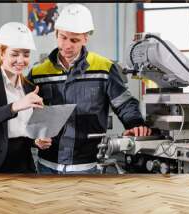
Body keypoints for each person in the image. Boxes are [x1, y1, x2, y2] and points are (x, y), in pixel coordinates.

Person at [28, 4, 151, 174]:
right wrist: (35, 138)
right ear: (56, 34)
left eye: (74, 40)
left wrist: (135, 124)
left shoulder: (104, 68)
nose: (67, 45)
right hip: (47, 164)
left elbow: (124, 104)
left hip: (86, 165)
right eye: (63, 37)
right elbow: (26, 114)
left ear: (85, 38)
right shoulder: (38, 73)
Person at [0, 22, 51, 173]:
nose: (21, 60)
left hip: (25, 162)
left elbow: (26, 130)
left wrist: (37, 140)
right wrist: (17, 105)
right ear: (2, 53)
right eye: (14, 54)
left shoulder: (30, 88)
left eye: (26, 54)